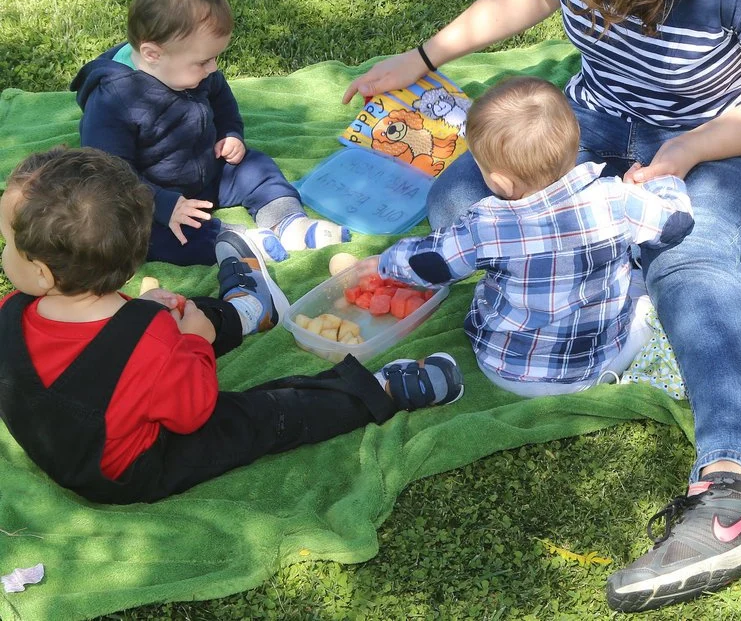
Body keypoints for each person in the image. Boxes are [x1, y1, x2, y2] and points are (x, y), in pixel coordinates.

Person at [343, 0, 741, 610]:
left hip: (739, 135)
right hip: (605, 114)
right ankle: (650, 261)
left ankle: (739, 491)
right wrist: (425, 55)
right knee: (456, 202)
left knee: (688, 257)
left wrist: (694, 148)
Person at [0, 147, 464, 505]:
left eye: (7, 244)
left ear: (43, 273)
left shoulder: (12, 310)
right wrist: (195, 345)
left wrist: (147, 318)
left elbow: (88, 349)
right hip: (131, 470)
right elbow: (193, 412)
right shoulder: (154, 340)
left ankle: (250, 309)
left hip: (74, 443)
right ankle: (379, 391)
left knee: (172, 314)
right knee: (260, 417)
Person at [379, 75, 693, 395]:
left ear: (501, 183)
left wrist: (387, 261)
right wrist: (657, 184)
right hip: (595, 366)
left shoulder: (486, 223)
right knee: (643, 296)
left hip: (503, 366)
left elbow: (430, 263)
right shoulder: (615, 199)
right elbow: (676, 224)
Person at [71, 0, 350, 267]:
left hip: (211, 172)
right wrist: (162, 203)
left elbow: (221, 99)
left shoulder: (193, 69)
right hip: (155, 196)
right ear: (152, 54)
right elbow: (110, 173)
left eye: (214, 58)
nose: (213, 69)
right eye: (204, 61)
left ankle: (285, 220)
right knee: (153, 236)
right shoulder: (114, 99)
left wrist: (231, 132)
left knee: (256, 166)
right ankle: (234, 241)